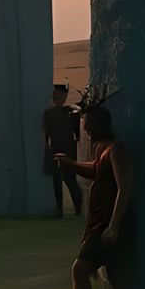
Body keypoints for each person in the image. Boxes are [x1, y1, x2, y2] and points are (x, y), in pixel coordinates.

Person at [46, 104, 133, 289]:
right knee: (116, 276)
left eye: (91, 128)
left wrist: (114, 226)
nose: (88, 133)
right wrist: (72, 164)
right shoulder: (101, 149)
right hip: (101, 222)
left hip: (108, 224)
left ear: (102, 126)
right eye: (87, 128)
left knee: (80, 268)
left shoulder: (116, 150)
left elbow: (124, 187)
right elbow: (96, 171)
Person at [43, 84, 82, 218]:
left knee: (66, 179)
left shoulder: (66, 112)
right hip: (61, 148)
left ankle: (73, 208)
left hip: (62, 149)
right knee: (61, 180)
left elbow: (46, 135)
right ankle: (70, 208)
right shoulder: (66, 113)